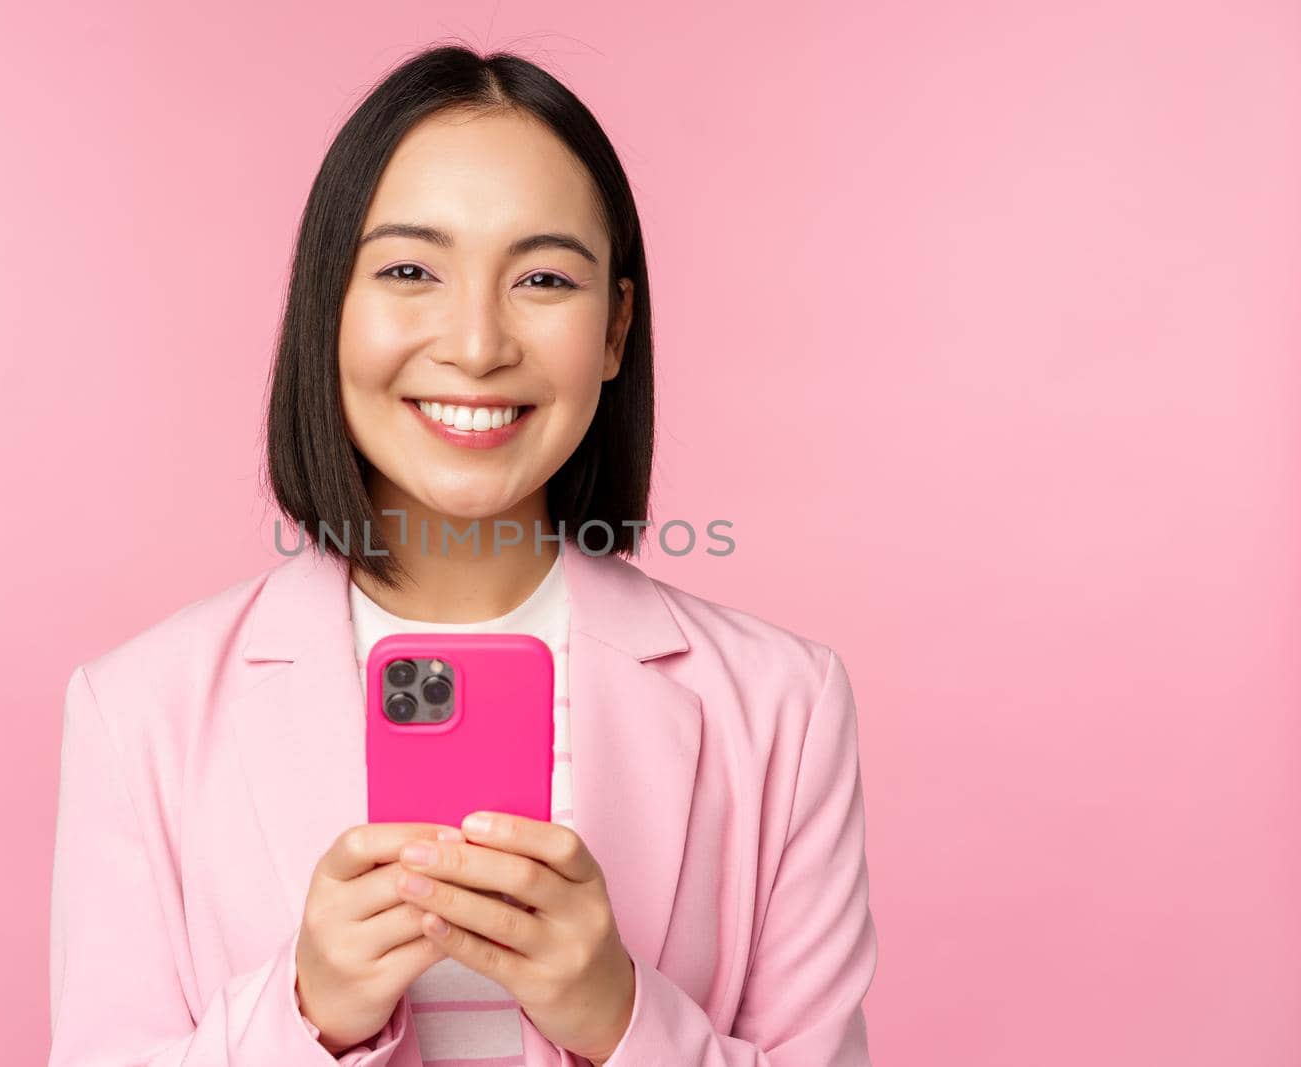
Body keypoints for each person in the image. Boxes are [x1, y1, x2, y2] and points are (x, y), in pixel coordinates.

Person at [47, 43, 878, 1067]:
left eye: (541, 277)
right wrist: (305, 1014)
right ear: (329, 306)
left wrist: (619, 1015)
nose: (477, 343)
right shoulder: (138, 710)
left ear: (614, 328)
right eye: (408, 269)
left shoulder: (782, 705)